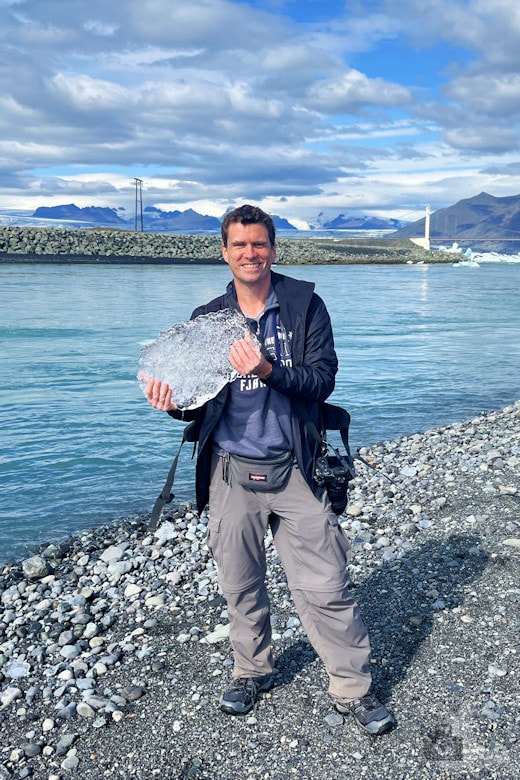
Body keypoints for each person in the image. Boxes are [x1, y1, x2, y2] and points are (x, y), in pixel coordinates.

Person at [144, 204, 394, 736]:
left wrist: (265, 368)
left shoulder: (304, 305)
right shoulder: (208, 318)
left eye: (259, 244)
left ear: (273, 249)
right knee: (240, 582)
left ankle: (352, 687)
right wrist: (170, 402)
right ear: (224, 252)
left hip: (296, 467)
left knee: (325, 583)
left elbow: (321, 381)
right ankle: (251, 670)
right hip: (231, 469)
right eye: (239, 245)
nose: (249, 254)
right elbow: (198, 403)